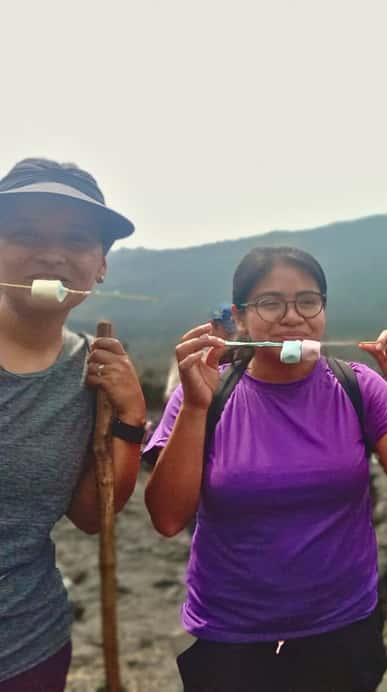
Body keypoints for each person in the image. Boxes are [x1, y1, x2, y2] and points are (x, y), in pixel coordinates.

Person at [143, 246, 387, 691]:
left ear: (323, 308)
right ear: (241, 318)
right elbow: (167, 518)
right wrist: (195, 408)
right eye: (270, 303)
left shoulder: (358, 385)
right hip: (232, 639)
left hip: (344, 631)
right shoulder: (204, 394)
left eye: (307, 300)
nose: (292, 316)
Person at [0, 158, 145, 690]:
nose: (52, 254)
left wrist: (130, 418)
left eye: (78, 240)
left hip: (26, 650)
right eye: (24, 234)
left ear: (101, 264)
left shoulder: (95, 375)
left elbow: (91, 515)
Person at [163, 303, 237, 402]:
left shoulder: (238, 355)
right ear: (212, 326)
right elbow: (170, 395)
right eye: (229, 333)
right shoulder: (194, 354)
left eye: (235, 333)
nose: (233, 338)